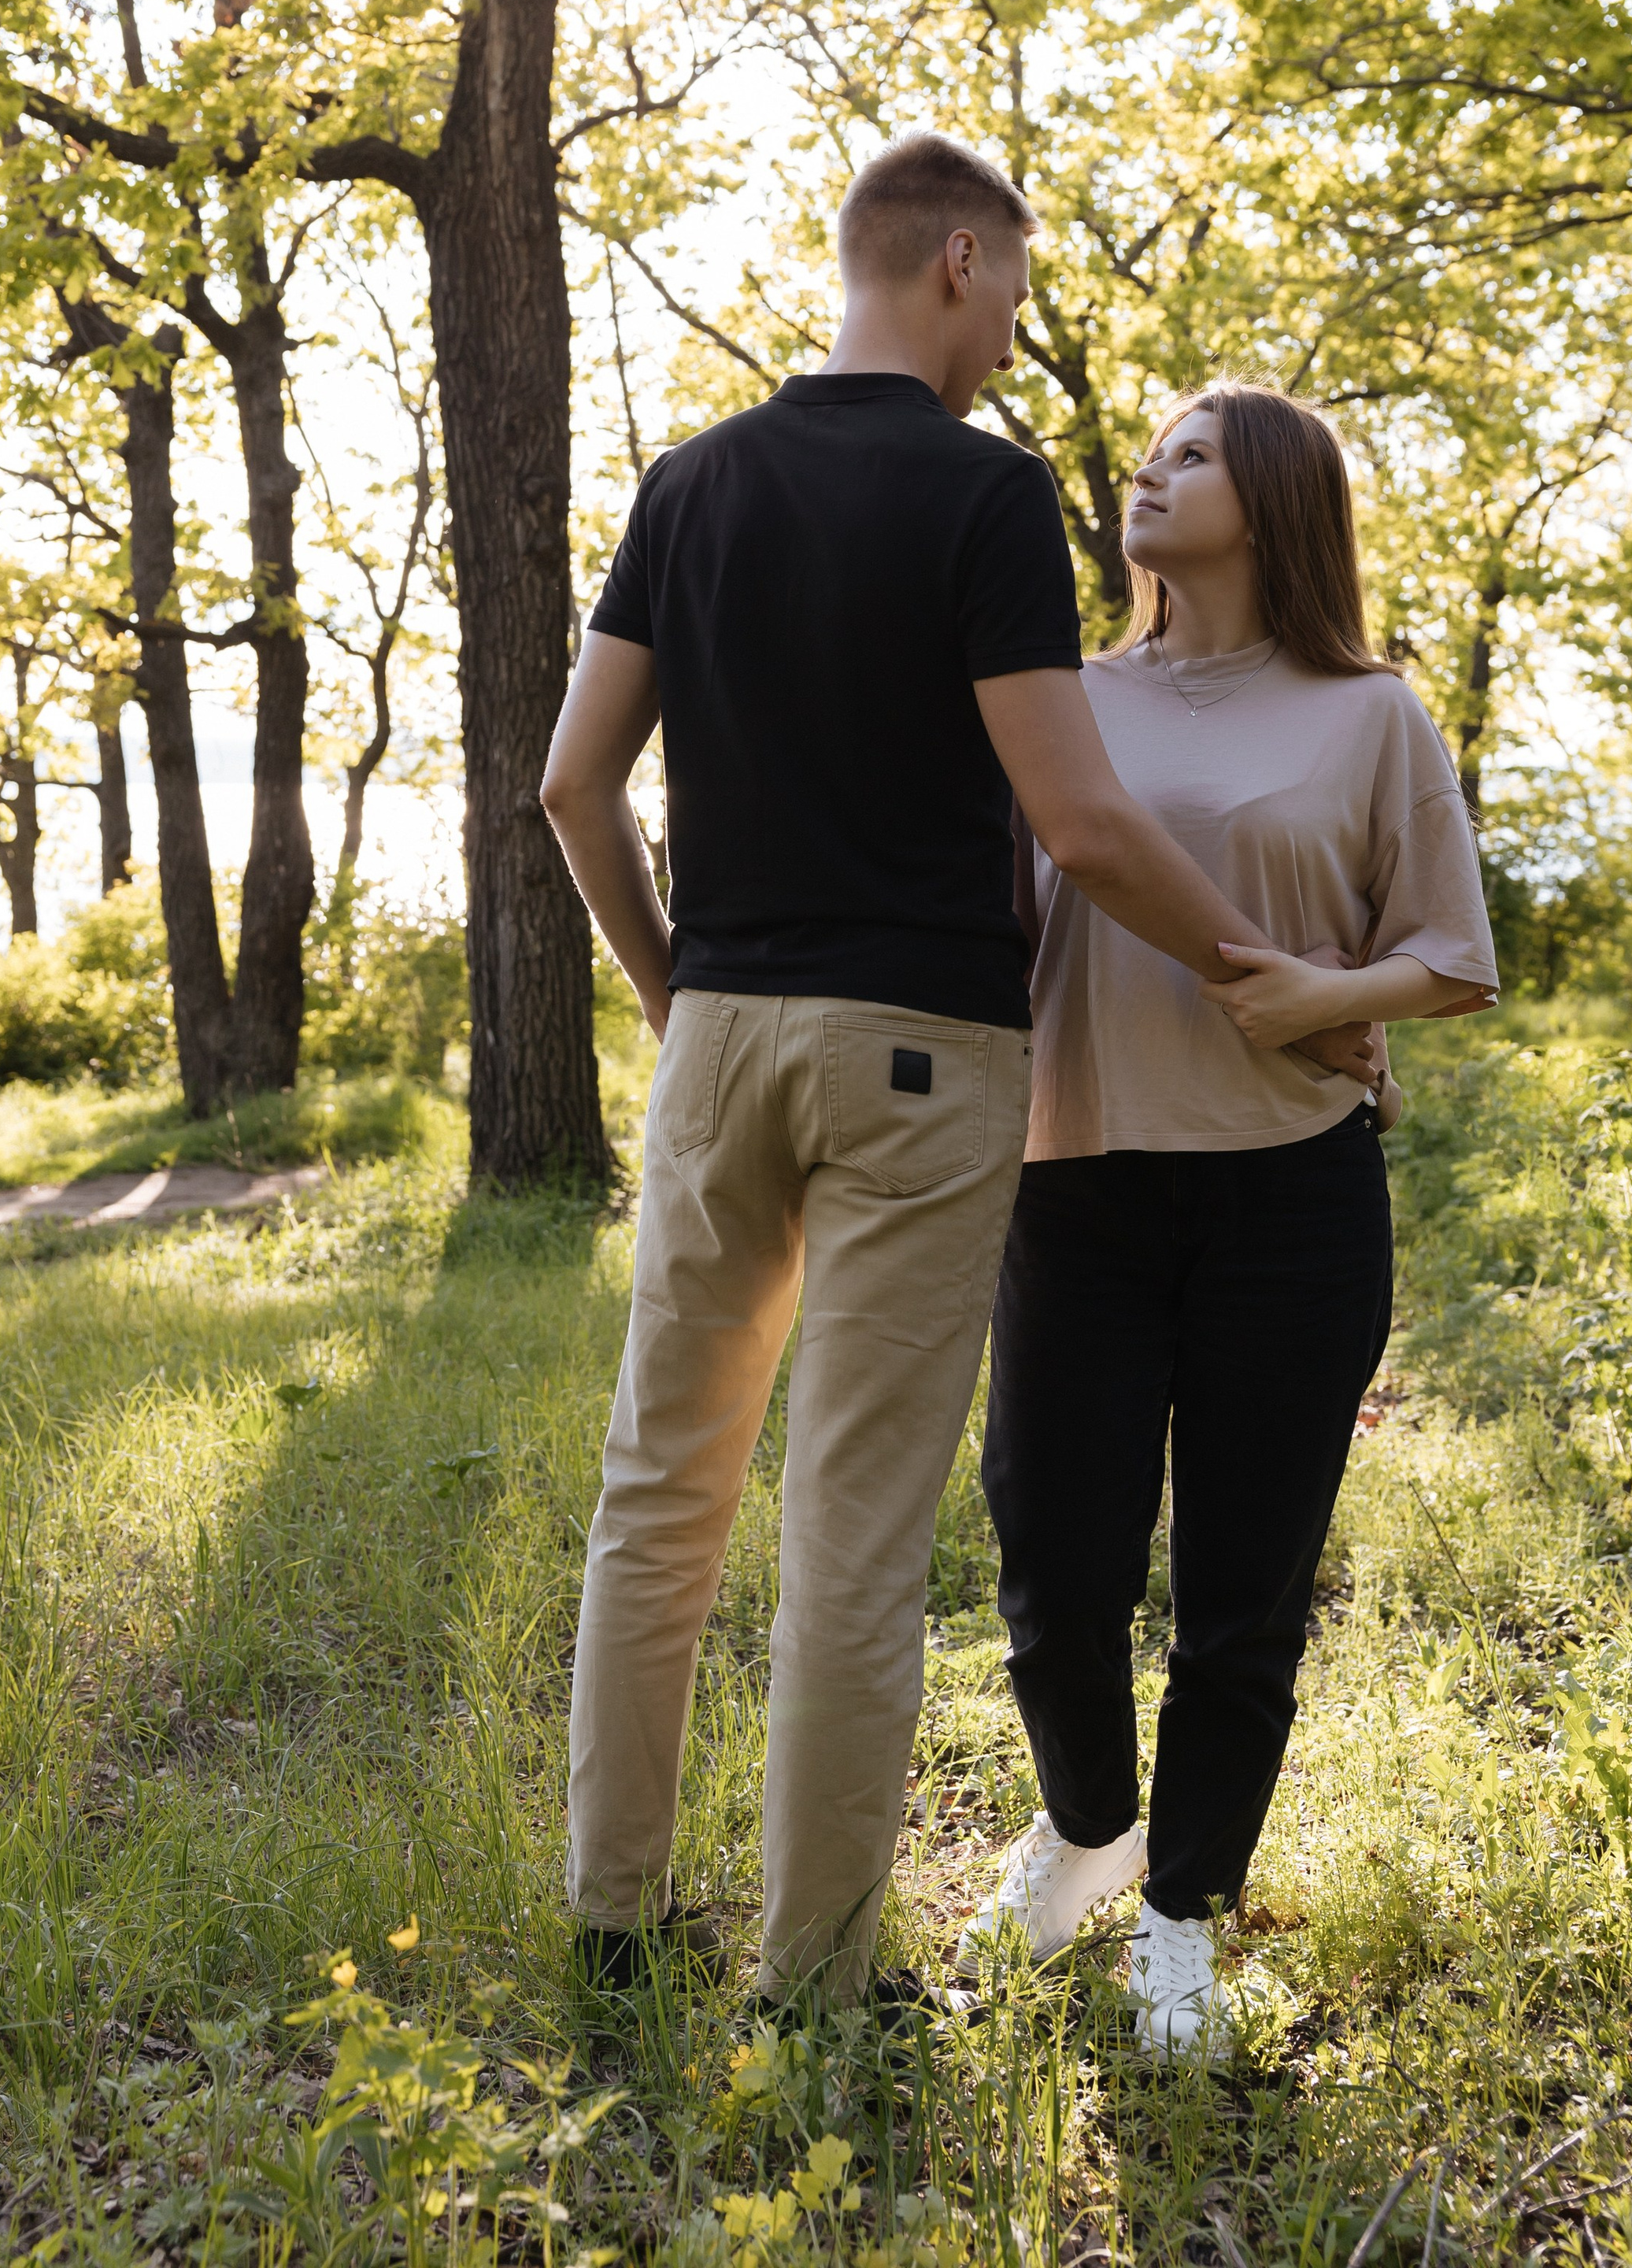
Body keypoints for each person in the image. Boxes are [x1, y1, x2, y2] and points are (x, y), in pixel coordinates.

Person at [538, 142, 1375, 2011]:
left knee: (656, 1491)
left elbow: (573, 786)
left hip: (721, 1039)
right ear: (954, 257)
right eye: (1008, 291)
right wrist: (1276, 988)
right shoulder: (984, 494)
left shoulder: (688, 482)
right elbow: (1078, 824)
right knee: (849, 1528)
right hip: (918, 1062)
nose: (1008, 330)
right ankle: (817, 1980)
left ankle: (612, 1919)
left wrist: (678, 1000)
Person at [958, 381, 1497, 2057]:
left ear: (1272, 500)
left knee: (1242, 1590)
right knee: (1053, 1559)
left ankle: (1182, 1912)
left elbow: (1451, 955)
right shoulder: (1057, 699)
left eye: (1192, 453)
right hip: (1073, 1177)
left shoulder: (1369, 714)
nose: (1150, 467)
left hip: (1290, 1198)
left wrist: (1329, 1000)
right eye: (1153, 448)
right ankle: (1085, 1829)